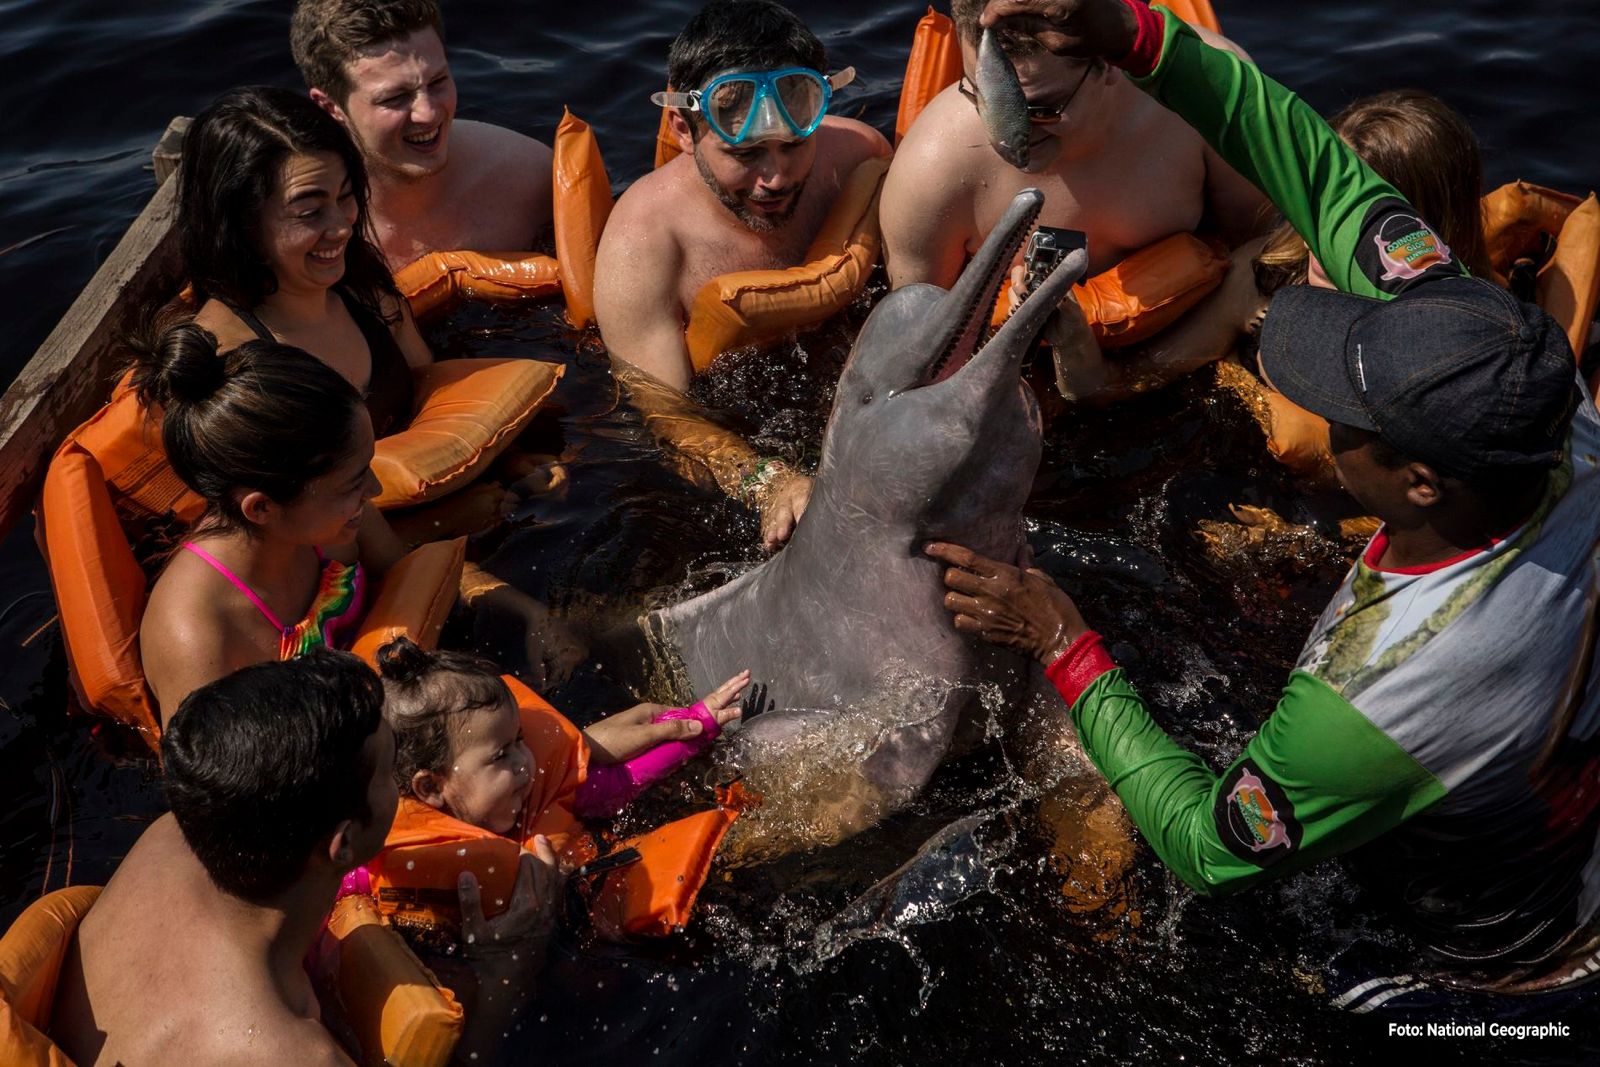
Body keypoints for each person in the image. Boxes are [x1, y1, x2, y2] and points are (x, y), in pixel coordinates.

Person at [928, 0, 1600, 998]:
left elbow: (1211, 848)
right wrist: (1128, 33)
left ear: (1418, 481)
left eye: (1346, 411)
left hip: (1490, 967)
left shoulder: (1386, 695)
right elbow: (1310, 160)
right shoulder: (1523, 390)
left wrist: (1062, 641)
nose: (1322, 417)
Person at [50, 651, 560, 1065]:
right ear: (343, 844)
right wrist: (506, 968)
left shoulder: (165, 841)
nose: (404, 789)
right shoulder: (296, 1054)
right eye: (389, 774)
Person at [132, 324, 577, 719]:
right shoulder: (198, 637)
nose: (376, 491)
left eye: (367, 467)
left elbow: (408, 571)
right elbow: (227, 795)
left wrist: (527, 612)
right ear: (261, 508)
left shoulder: (326, 522)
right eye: (353, 482)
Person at [593, 0, 890, 549]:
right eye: (746, 153)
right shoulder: (643, 243)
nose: (775, 178)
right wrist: (766, 482)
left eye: (794, 145)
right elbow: (666, 419)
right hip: (735, 423)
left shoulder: (856, 157)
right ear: (684, 128)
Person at [1046, 88, 1493, 405]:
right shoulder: (1265, 277)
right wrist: (1070, 338)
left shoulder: (1474, 331)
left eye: (1362, 223)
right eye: (1319, 206)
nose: (1325, 239)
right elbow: (1125, 382)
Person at [880, 0, 1267, 300]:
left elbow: (1258, 247)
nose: (1005, 132)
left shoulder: (1206, 96)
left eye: (1040, 109)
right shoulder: (931, 172)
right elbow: (915, 345)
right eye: (983, 98)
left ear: (1111, 61)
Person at [183, 85, 430, 440]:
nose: (342, 228)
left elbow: (438, 403)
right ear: (242, 225)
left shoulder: (368, 296)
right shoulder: (229, 370)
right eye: (309, 212)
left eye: (345, 197)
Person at [377, 637, 747, 833]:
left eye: (519, 739)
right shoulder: (406, 858)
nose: (525, 760)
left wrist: (700, 722)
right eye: (500, 755)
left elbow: (622, 781)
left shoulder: (538, 787)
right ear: (431, 788)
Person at [290, 0, 553, 268]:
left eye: (437, 82)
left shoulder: (528, 179)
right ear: (330, 107)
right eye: (395, 97)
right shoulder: (304, 236)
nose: (427, 113)